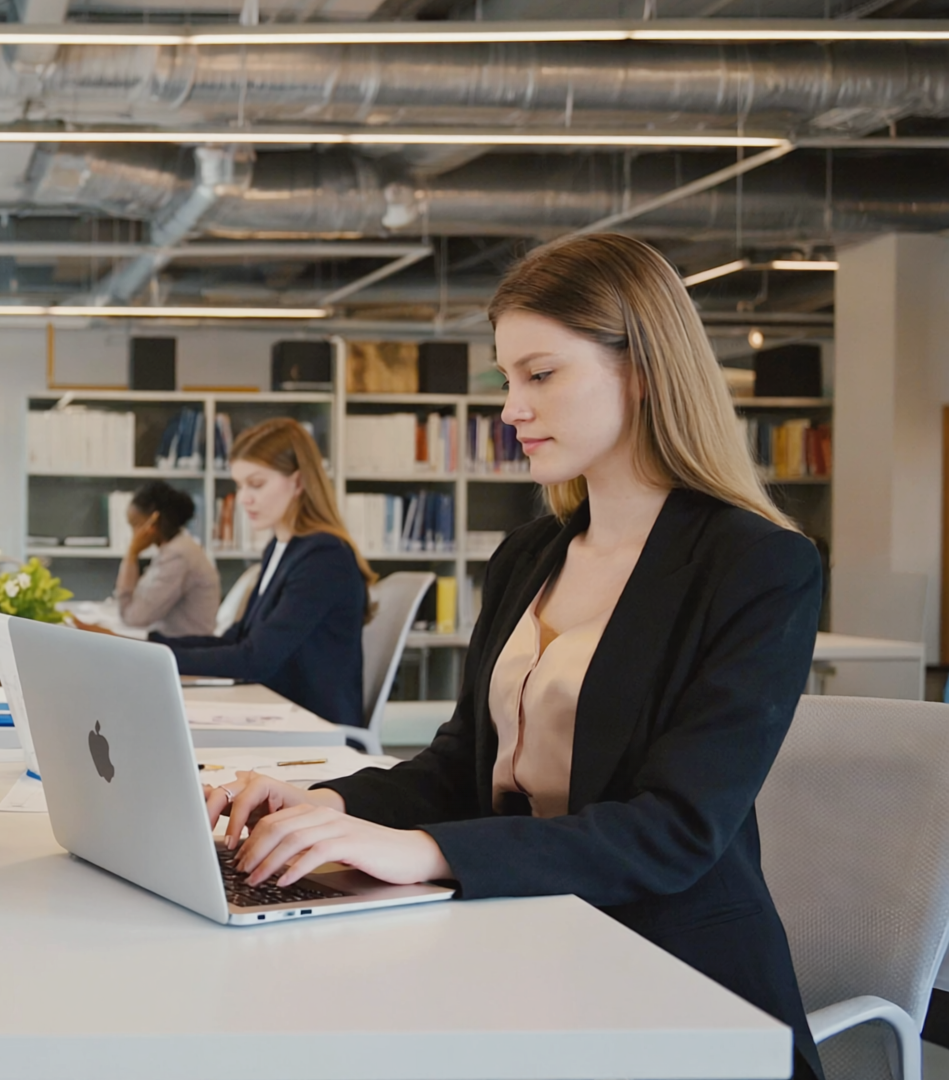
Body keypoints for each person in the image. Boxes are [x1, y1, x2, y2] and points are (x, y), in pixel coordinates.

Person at [205, 233, 825, 1080]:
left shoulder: (756, 565)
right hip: (516, 934)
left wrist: (428, 852)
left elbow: (678, 831)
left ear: (641, 369)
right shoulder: (530, 554)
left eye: (541, 375)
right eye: (507, 380)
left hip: (670, 977)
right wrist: (318, 800)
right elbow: (465, 763)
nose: (510, 411)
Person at [127, 418, 375, 728]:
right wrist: (148, 647)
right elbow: (239, 638)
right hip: (277, 710)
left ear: (298, 483)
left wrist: (149, 657)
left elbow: (255, 659)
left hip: (315, 726)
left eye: (256, 484)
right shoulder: (280, 548)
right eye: (239, 485)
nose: (244, 498)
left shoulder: (324, 558)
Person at [102, 480, 220, 638]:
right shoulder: (176, 548)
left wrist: (131, 554)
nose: (133, 535)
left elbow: (133, 618)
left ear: (153, 521)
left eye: (136, 525)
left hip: (185, 649)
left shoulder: (178, 556)